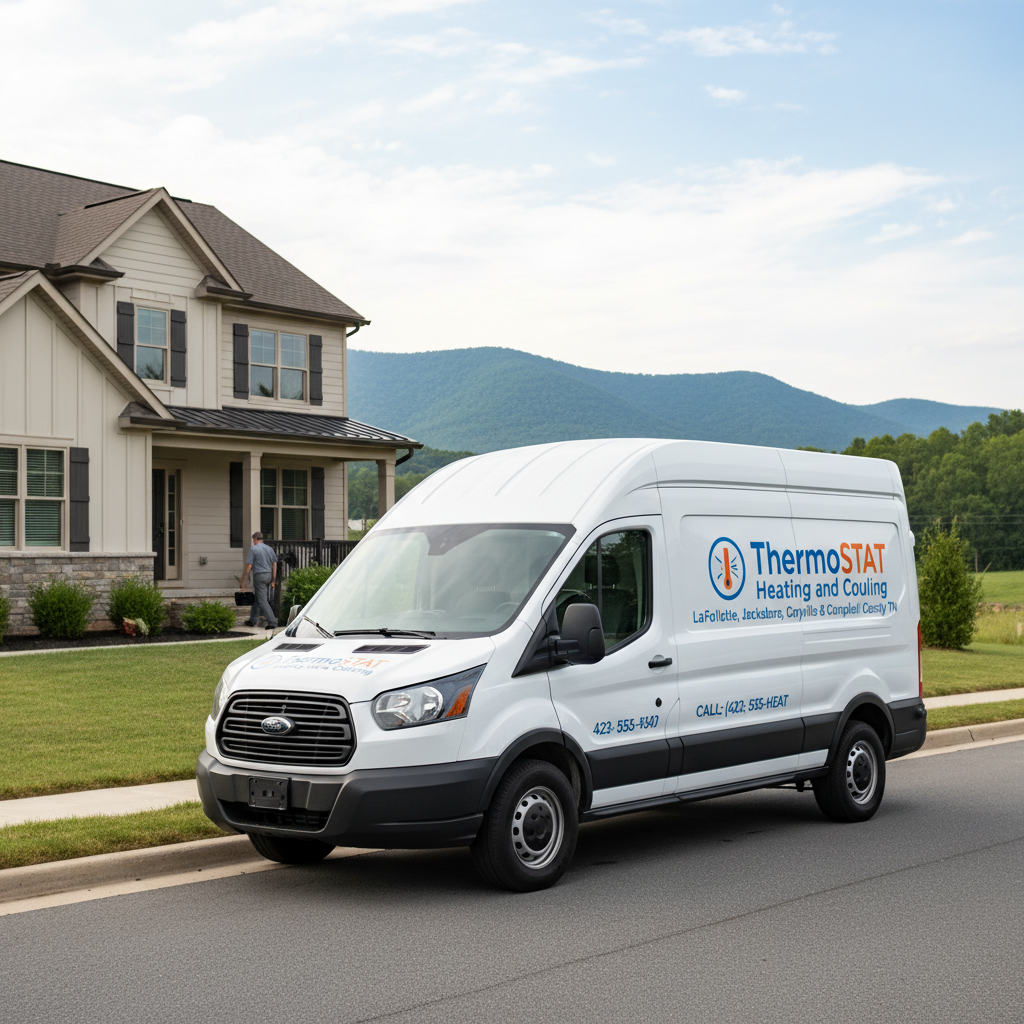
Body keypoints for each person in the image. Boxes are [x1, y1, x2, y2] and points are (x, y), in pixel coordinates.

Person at [240, 532, 278, 630]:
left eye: (253, 541)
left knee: (262, 600)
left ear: (255, 539)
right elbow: (274, 564)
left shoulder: (253, 549)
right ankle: (252, 620)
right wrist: (274, 579)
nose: (253, 542)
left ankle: (272, 621)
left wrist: (243, 581)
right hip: (268, 575)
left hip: (259, 576)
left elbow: (249, 566)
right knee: (258, 597)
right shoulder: (270, 549)